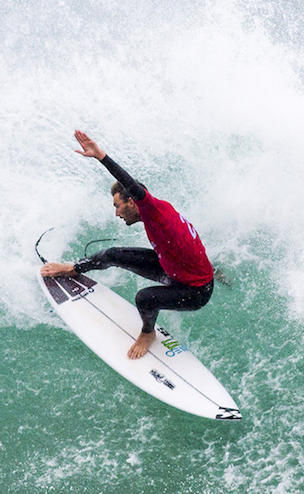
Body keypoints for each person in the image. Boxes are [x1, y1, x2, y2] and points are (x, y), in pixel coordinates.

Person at [41, 130, 215, 359]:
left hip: (195, 291)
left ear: (132, 202)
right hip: (174, 268)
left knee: (145, 298)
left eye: (117, 206)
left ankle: (147, 333)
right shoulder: (156, 208)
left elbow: (130, 184)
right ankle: (73, 268)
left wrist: (101, 156)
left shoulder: (152, 211)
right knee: (112, 254)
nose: (116, 214)